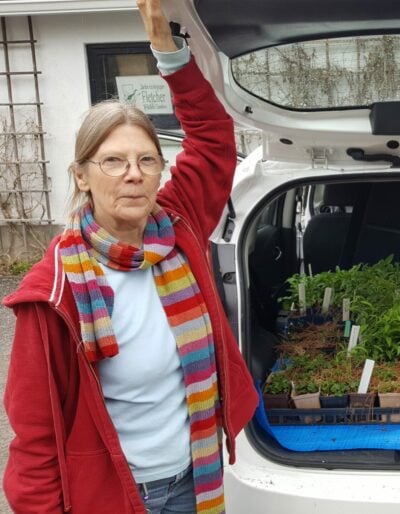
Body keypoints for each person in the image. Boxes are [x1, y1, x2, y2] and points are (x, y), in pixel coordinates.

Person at [2, 0, 258, 512]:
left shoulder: (178, 225)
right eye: (113, 161)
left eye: (146, 160)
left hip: (194, 480)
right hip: (113, 494)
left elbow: (212, 141)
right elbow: (35, 435)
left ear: (161, 171)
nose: (132, 173)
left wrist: (170, 53)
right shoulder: (54, 289)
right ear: (81, 175)